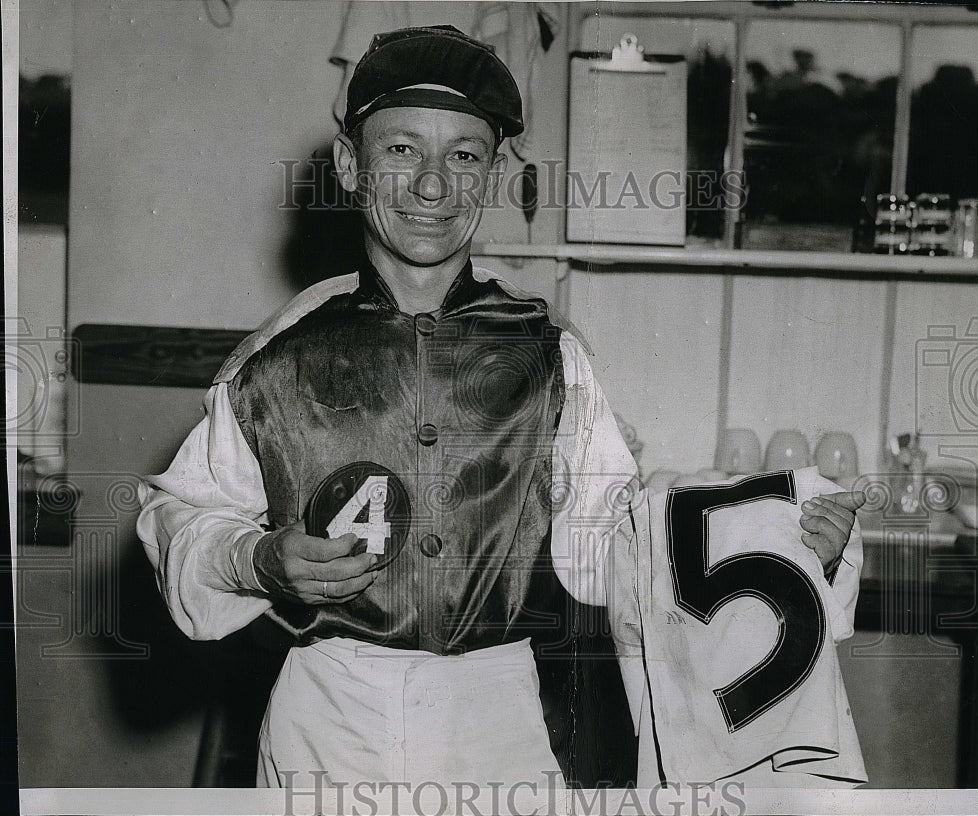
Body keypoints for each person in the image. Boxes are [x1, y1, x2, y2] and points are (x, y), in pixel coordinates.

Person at [137, 24, 864, 791]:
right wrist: (254, 559)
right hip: (327, 714)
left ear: (491, 173)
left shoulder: (550, 352)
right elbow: (179, 517)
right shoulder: (278, 356)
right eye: (401, 150)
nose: (432, 185)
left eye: (464, 155)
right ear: (351, 166)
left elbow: (614, 544)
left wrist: (777, 544)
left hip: (501, 723)